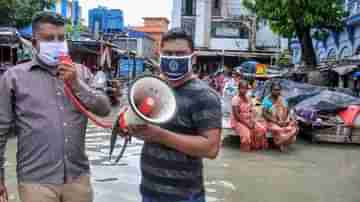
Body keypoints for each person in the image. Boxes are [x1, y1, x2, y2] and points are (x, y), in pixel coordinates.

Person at [0, 12, 111, 202]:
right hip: (35, 182)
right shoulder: (13, 78)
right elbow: (1, 129)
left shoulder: (82, 73)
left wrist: (76, 83)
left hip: (78, 178)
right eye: (49, 39)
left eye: (61, 38)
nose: (57, 43)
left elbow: (104, 109)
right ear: (35, 43)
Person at [121, 28, 222, 202]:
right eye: (168, 53)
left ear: (193, 57)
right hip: (149, 191)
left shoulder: (205, 96)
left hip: (184, 196)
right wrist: (128, 127)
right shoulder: (152, 88)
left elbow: (211, 148)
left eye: (180, 53)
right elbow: (144, 129)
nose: (174, 58)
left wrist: (160, 135)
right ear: (159, 55)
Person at [231, 80, 268, 152]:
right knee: (246, 136)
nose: (244, 90)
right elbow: (236, 116)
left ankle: (256, 149)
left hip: (249, 119)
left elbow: (251, 110)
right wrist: (247, 124)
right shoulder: (235, 99)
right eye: (242, 88)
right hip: (238, 121)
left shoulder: (248, 98)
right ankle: (245, 153)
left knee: (261, 129)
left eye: (245, 88)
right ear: (238, 89)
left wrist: (253, 120)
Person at [262, 82, 297, 152]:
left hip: (282, 121)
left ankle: (281, 142)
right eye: (275, 90)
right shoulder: (267, 100)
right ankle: (279, 143)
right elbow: (264, 114)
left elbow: (287, 110)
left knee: (294, 128)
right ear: (271, 90)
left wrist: (285, 121)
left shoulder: (282, 99)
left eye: (278, 90)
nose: (277, 92)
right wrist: (276, 121)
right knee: (280, 130)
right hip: (271, 122)